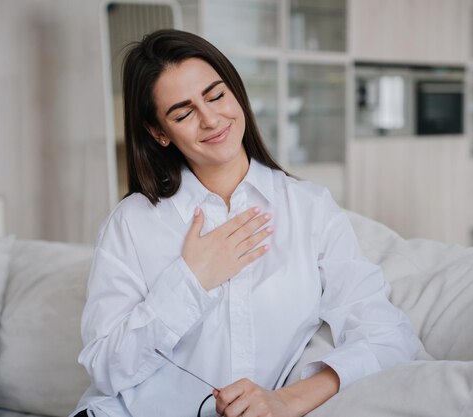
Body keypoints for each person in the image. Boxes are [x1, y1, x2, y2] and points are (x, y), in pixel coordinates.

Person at [70, 29, 419, 417]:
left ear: (236, 93)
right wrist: (192, 280)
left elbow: (388, 335)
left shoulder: (309, 209)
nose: (210, 119)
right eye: (183, 113)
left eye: (216, 95)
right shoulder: (130, 223)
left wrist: (288, 399)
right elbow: (104, 368)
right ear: (159, 133)